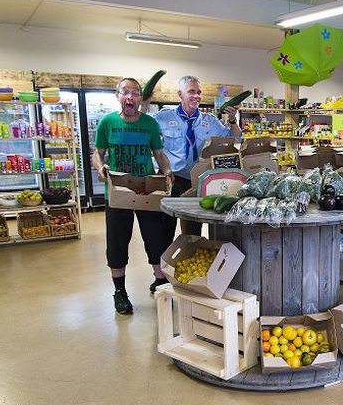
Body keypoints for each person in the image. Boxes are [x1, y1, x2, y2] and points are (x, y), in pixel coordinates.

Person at [92, 77, 173, 315]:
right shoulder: (107, 122)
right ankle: (120, 292)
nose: (130, 97)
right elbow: (98, 153)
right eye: (125, 92)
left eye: (135, 93)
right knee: (117, 243)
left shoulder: (149, 124)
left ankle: (160, 282)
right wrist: (100, 167)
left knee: (156, 238)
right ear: (118, 96)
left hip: (146, 189)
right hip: (117, 193)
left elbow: (159, 153)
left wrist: (167, 170)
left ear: (140, 98)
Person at [152, 75, 241, 245]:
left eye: (199, 92)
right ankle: (162, 268)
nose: (196, 96)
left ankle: (191, 264)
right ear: (180, 94)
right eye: (191, 91)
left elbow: (234, 141)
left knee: (193, 231)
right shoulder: (162, 118)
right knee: (163, 229)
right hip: (167, 180)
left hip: (194, 182)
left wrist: (232, 120)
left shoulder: (210, 122)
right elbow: (147, 133)